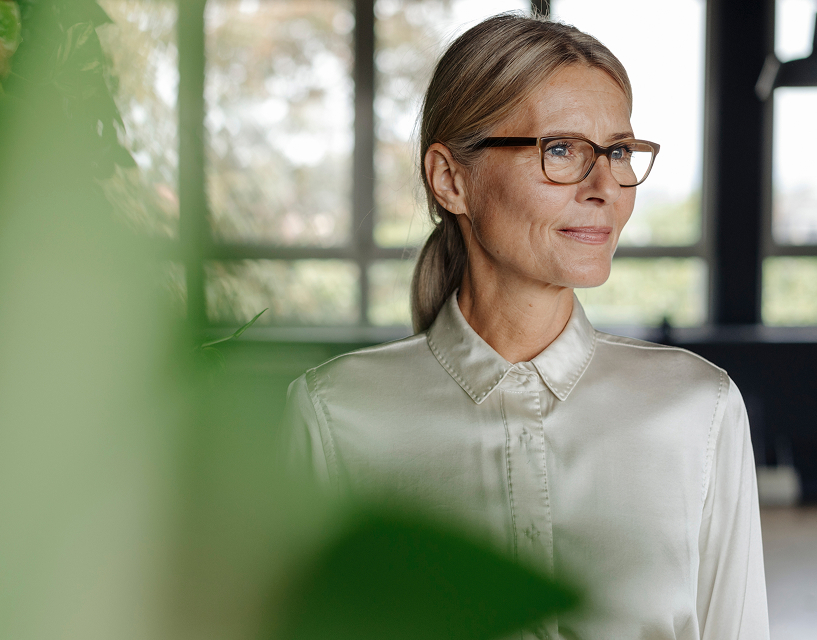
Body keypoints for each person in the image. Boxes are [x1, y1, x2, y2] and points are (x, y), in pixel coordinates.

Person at [282, 13, 768, 640]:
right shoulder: (335, 417)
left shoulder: (699, 411)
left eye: (617, 151)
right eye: (561, 149)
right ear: (452, 179)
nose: (604, 187)